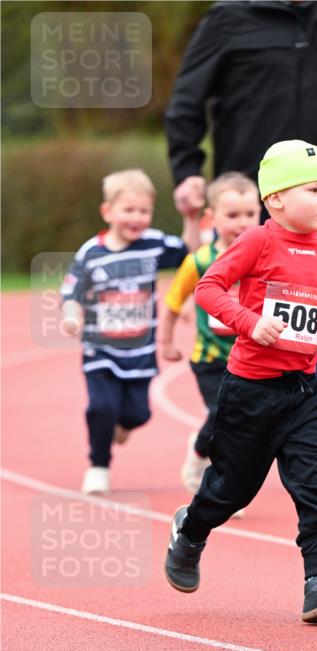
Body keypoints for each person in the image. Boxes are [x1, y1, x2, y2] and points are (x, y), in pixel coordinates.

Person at [164, 140, 317, 624]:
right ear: (275, 199)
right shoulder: (257, 241)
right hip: (250, 391)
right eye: (313, 190)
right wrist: (250, 322)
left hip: (304, 393)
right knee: (232, 490)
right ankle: (191, 529)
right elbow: (208, 289)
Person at [164, 0, 317, 482]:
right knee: (241, 339)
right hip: (247, 203)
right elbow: (187, 100)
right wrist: (186, 170)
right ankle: (224, 445)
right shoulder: (229, 18)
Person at [59, 169, 199, 494]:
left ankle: (120, 426)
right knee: (101, 407)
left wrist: (191, 218)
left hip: (140, 352)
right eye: (129, 210)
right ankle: (98, 467)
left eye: (144, 211)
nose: (137, 218)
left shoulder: (153, 244)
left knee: (139, 414)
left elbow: (190, 253)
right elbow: (71, 292)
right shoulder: (91, 253)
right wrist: (72, 318)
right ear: (108, 211)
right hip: (100, 349)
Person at [159, 172, 261, 497]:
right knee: (222, 416)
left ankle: (228, 481)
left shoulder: (264, 258)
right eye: (232, 215)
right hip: (211, 358)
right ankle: (204, 459)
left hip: (252, 359)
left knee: (245, 424)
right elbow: (173, 302)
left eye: (250, 214)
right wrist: (166, 342)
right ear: (211, 217)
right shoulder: (200, 261)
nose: (242, 223)